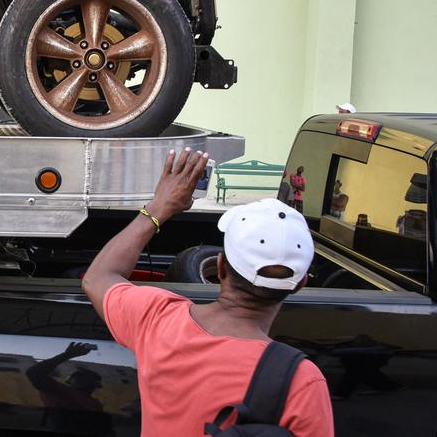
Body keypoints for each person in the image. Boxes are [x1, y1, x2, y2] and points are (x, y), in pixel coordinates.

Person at [82, 149, 334, 436]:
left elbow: (98, 278)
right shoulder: (301, 380)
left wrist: (158, 208)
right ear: (300, 283)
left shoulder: (159, 319)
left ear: (220, 266)